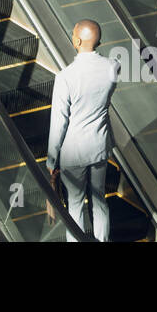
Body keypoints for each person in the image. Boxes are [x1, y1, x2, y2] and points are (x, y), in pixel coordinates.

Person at [47, 19, 119, 242]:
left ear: (77, 40)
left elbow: (59, 122)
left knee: (75, 203)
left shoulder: (65, 77)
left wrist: (51, 161)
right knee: (99, 199)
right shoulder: (113, 67)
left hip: (73, 151)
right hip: (99, 146)